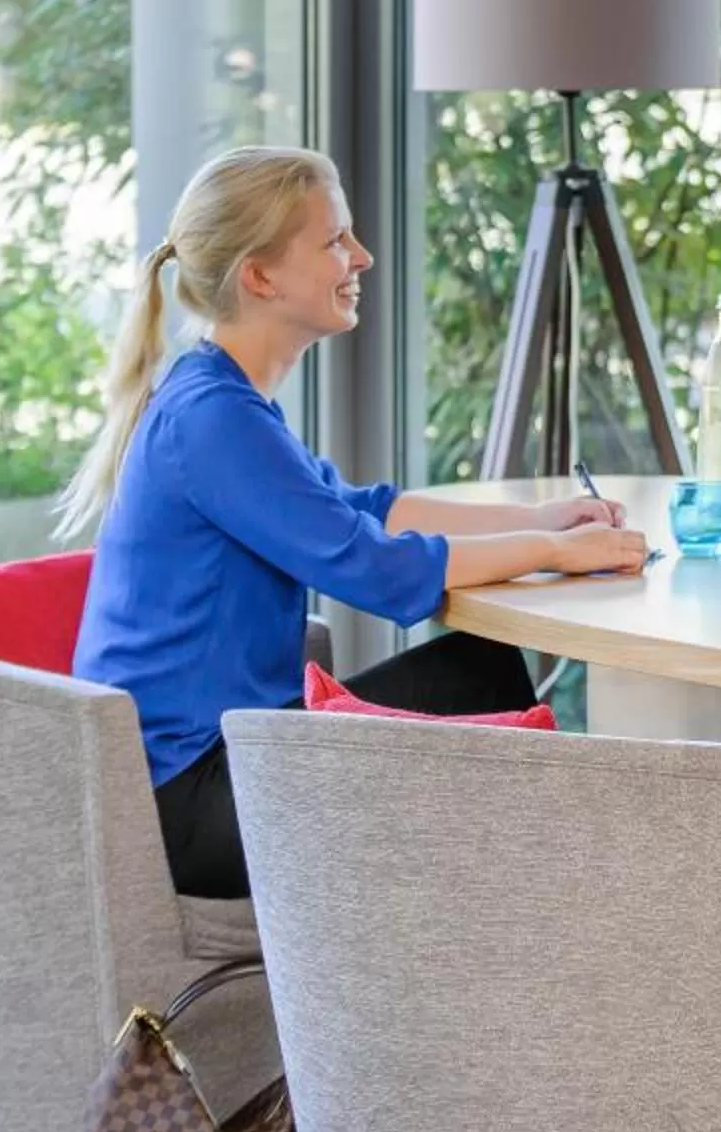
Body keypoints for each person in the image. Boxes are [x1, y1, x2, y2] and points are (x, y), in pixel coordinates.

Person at [62, 146, 650, 901]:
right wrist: (553, 551)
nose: (362, 257)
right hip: (192, 801)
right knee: (488, 712)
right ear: (260, 276)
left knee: (475, 669)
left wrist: (539, 518)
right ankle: (536, 932)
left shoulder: (220, 398)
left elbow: (362, 509)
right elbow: (373, 567)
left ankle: (513, 933)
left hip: (228, 761)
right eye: (336, 240)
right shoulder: (212, 419)